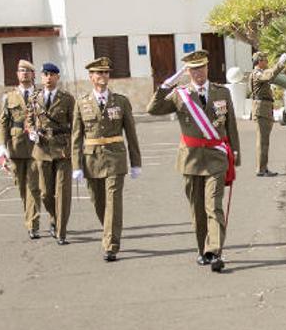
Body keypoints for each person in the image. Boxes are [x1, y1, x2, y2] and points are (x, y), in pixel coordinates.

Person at [147, 50, 241, 272]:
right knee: (197, 210)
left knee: (214, 207)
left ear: (208, 68)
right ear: (187, 71)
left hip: (217, 158)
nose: (199, 73)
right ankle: (202, 250)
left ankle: (215, 251)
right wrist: (164, 87)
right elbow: (153, 109)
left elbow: (231, 125)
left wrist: (235, 153)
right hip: (190, 160)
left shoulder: (222, 93)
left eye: (202, 68)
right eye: (194, 69)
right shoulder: (180, 94)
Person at [71, 57, 142, 262]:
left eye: (106, 73)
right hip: (91, 159)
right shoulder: (81, 103)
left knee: (113, 202)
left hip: (115, 158)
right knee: (99, 202)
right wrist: (76, 165)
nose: (103, 76)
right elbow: (76, 137)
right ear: (91, 77)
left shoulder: (120, 101)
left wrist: (136, 162)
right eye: (99, 73)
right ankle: (109, 230)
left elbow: (131, 133)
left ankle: (111, 245)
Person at [26, 63, 76, 245]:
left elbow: (75, 125)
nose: (48, 78)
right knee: (46, 193)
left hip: (62, 149)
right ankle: (55, 217)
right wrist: (31, 131)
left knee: (62, 192)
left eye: (52, 74)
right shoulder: (34, 98)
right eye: (45, 74)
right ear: (41, 77)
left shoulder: (67, 99)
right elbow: (29, 119)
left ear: (57, 77)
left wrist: (75, 148)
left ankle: (61, 232)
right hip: (42, 149)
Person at [0, 59, 42, 239]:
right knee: (22, 187)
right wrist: (2, 147)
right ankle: (30, 216)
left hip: (35, 147)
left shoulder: (40, 95)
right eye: (21, 70)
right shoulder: (9, 97)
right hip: (15, 147)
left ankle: (33, 224)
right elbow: (3, 124)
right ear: (17, 74)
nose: (24, 73)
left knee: (33, 186)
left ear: (33, 75)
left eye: (27, 71)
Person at [250, 51, 286, 177]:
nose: (267, 62)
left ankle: (263, 168)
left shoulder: (259, 72)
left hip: (264, 108)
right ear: (259, 62)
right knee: (262, 141)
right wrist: (280, 63)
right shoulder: (257, 73)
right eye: (265, 60)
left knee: (264, 141)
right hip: (262, 109)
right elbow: (270, 75)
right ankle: (261, 169)